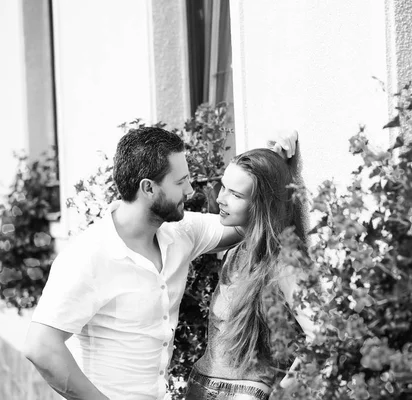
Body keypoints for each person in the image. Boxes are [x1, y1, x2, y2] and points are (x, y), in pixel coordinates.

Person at [22, 126, 297, 400]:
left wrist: (268, 169)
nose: (190, 191)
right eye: (180, 182)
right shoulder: (88, 256)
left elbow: (251, 223)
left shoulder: (180, 232)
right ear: (148, 188)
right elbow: (41, 347)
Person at [184, 147, 316, 400]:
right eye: (223, 187)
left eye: (235, 194)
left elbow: (322, 334)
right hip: (201, 387)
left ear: (261, 203)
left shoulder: (285, 261)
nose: (221, 198)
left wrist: (285, 391)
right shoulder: (235, 253)